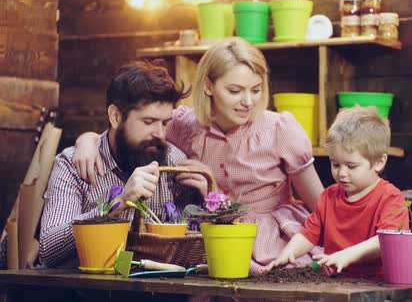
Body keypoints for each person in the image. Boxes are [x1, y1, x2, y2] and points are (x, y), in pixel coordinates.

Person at [72, 37, 325, 273]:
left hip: (273, 240)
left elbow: (323, 208)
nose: (248, 101)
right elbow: (136, 131)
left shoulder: (279, 130)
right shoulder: (184, 125)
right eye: (235, 91)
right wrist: (88, 140)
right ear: (208, 86)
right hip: (207, 242)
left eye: (256, 90)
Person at [39, 61, 206, 268]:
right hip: (84, 292)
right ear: (116, 117)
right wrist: (115, 205)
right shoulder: (74, 164)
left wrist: (208, 203)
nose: (160, 134)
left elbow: (194, 248)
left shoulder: (174, 161)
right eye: (148, 122)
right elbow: (49, 249)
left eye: (164, 123)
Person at [263, 106, 409, 279]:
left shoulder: (390, 198)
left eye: (351, 166)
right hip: (336, 281)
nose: (342, 173)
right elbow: (309, 234)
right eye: (336, 164)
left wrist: (347, 255)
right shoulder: (328, 197)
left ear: (379, 162)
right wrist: (287, 254)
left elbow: (386, 241)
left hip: (377, 284)